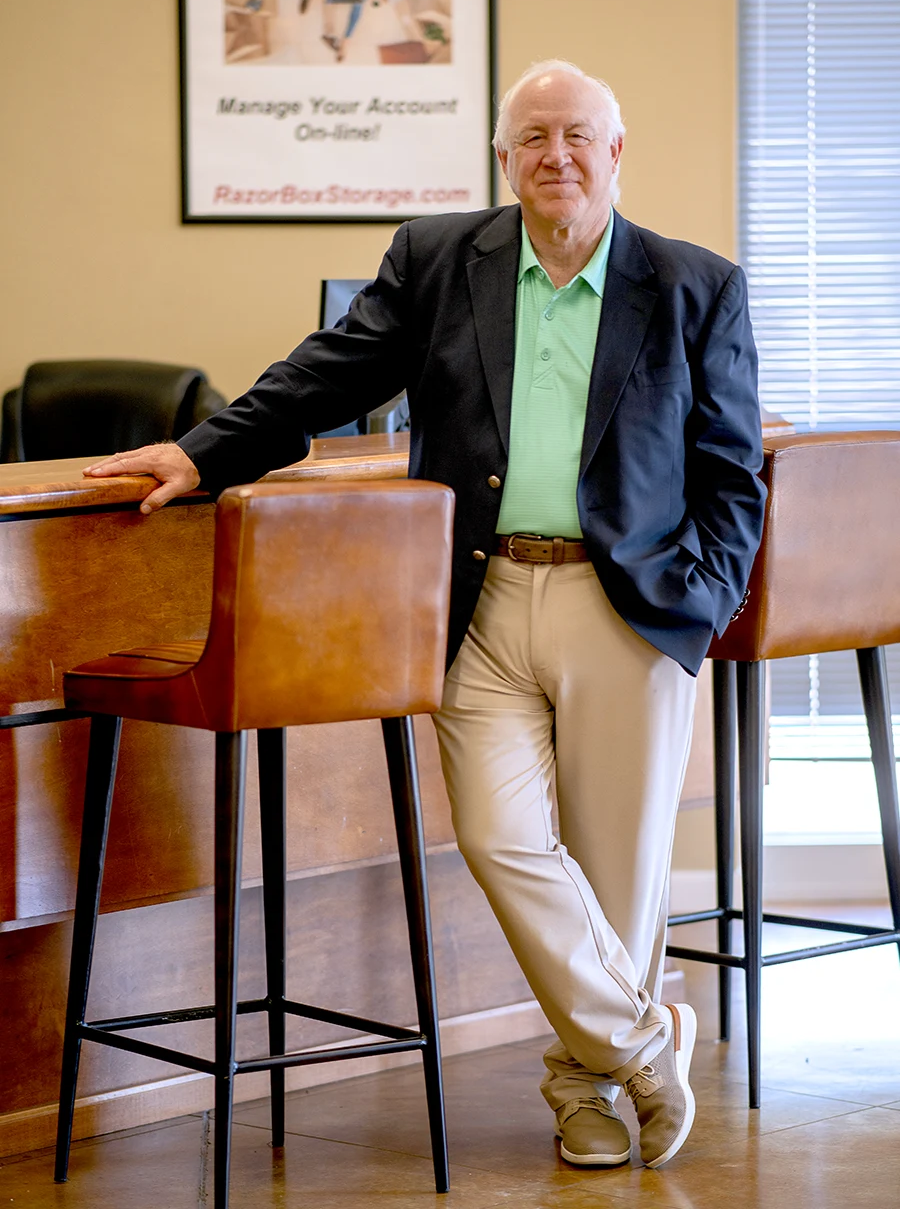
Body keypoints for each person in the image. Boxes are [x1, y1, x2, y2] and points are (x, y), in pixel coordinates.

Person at [85, 60, 766, 1171]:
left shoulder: (697, 286)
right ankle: (649, 1039)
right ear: (502, 159)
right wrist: (201, 451)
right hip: (479, 600)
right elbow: (326, 374)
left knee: (617, 872)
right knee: (501, 842)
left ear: (617, 152)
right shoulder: (443, 259)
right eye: (533, 137)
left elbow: (734, 475)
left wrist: (698, 600)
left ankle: (584, 1092)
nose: (557, 155)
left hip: (630, 607)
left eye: (579, 136)